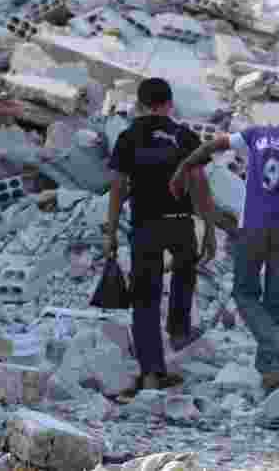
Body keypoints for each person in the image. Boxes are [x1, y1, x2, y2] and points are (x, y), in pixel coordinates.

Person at [169, 83, 279, 393]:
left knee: (244, 293)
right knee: (275, 299)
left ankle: (276, 349)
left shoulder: (256, 134)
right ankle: (270, 369)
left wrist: (184, 167)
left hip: (252, 227)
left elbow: (213, 146)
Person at [103, 78, 217, 391]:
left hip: (145, 226)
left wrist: (111, 231)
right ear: (169, 104)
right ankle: (178, 329)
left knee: (145, 297)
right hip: (180, 223)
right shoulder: (185, 136)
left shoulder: (129, 137)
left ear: (139, 105)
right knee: (185, 273)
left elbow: (117, 188)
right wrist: (209, 228)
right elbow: (200, 186)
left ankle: (152, 371)